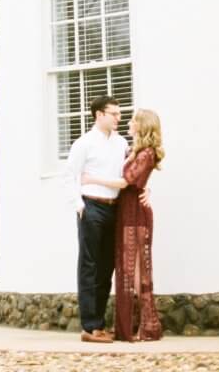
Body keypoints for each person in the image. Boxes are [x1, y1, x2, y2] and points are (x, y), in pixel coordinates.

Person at [81, 108, 164, 341]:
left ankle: (148, 325)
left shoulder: (146, 153)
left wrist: (91, 179)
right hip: (125, 211)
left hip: (136, 213)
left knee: (137, 271)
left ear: (142, 125)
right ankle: (137, 325)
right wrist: (146, 187)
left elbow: (125, 181)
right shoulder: (133, 149)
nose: (128, 122)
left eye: (133, 120)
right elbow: (137, 180)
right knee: (130, 269)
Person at [64, 95, 128, 343]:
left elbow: (129, 173)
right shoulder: (84, 143)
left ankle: (100, 324)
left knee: (107, 267)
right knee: (89, 265)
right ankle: (90, 327)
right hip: (91, 207)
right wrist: (79, 206)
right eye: (114, 113)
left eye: (119, 114)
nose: (118, 118)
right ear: (99, 115)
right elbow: (70, 176)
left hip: (114, 208)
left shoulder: (121, 143)